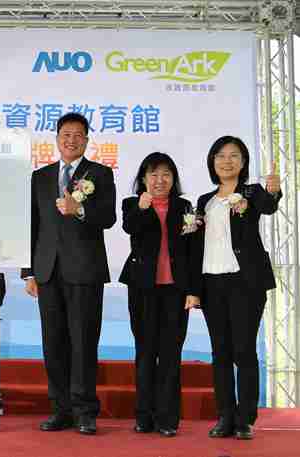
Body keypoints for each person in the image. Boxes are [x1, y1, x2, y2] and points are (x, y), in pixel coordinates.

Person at [22, 112, 116, 435]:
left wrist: (81, 209)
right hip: (47, 271)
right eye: (66, 134)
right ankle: (60, 409)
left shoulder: (100, 174)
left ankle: (85, 412)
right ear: (57, 139)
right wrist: (29, 272)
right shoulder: (41, 177)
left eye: (78, 135)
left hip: (85, 270)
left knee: (84, 342)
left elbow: (108, 217)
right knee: (53, 343)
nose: (71, 140)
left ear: (86, 141)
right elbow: (32, 226)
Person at [190, 136, 281, 440]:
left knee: (243, 350)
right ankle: (225, 416)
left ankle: (245, 419)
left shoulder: (252, 192)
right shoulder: (204, 201)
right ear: (212, 162)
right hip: (211, 282)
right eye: (220, 156)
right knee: (220, 353)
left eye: (233, 156)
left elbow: (268, 206)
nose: (226, 161)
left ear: (243, 163)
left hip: (245, 283)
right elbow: (196, 244)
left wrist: (273, 190)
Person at [119, 152, 200, 437]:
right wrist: (143, 208)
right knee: (145, 352)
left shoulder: (184, 206)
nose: (159, 180)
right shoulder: (132, 204)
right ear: (143, 179)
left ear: (173, 179)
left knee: (170, 354)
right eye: (153, 174)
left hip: (175, 290)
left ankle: (167, 419)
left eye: (166, 174)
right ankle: (144, 416)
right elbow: (130, 228)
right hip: (143, 288)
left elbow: (192, 250)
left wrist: (193, 290)